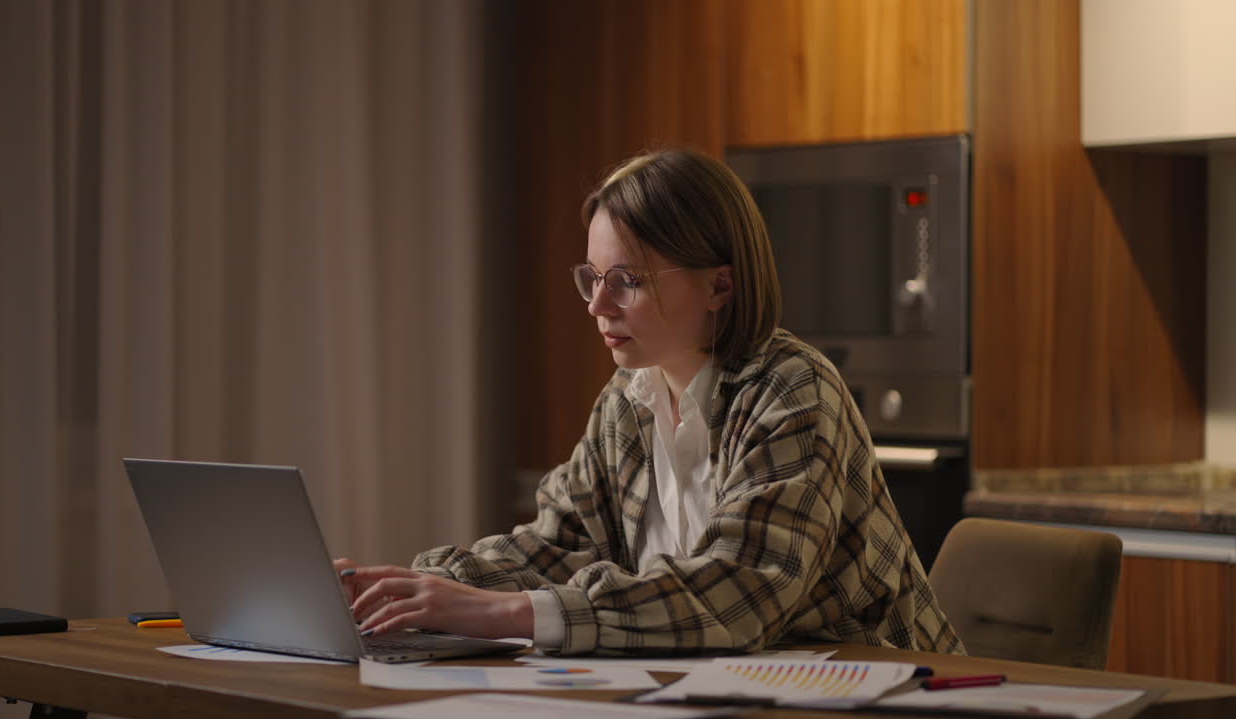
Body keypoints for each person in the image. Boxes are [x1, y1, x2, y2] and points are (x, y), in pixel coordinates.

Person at [336, 148, 964, 656]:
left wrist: (506, 612)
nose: (596, 307)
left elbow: (736, 596)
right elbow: (558, 545)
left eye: (626, 282)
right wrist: (411, 587)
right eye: (591, 277)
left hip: (887, 692)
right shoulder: (627, 402)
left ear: (720, 284)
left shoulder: (793, 390)